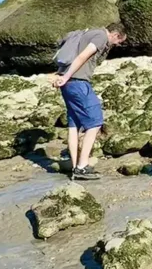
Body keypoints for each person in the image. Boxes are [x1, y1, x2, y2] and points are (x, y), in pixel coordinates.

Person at [52, 22, 127, 180]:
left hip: (69, 84)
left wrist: (62, 76)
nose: (118, 45)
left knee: (74, 124)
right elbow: (82, 56)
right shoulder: (100, 36)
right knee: (95, 122)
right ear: (115, 35)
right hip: (78, 82)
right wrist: (65, 77)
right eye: (119, 42)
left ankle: (75, 167)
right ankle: (82, 167)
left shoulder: (86, 33)